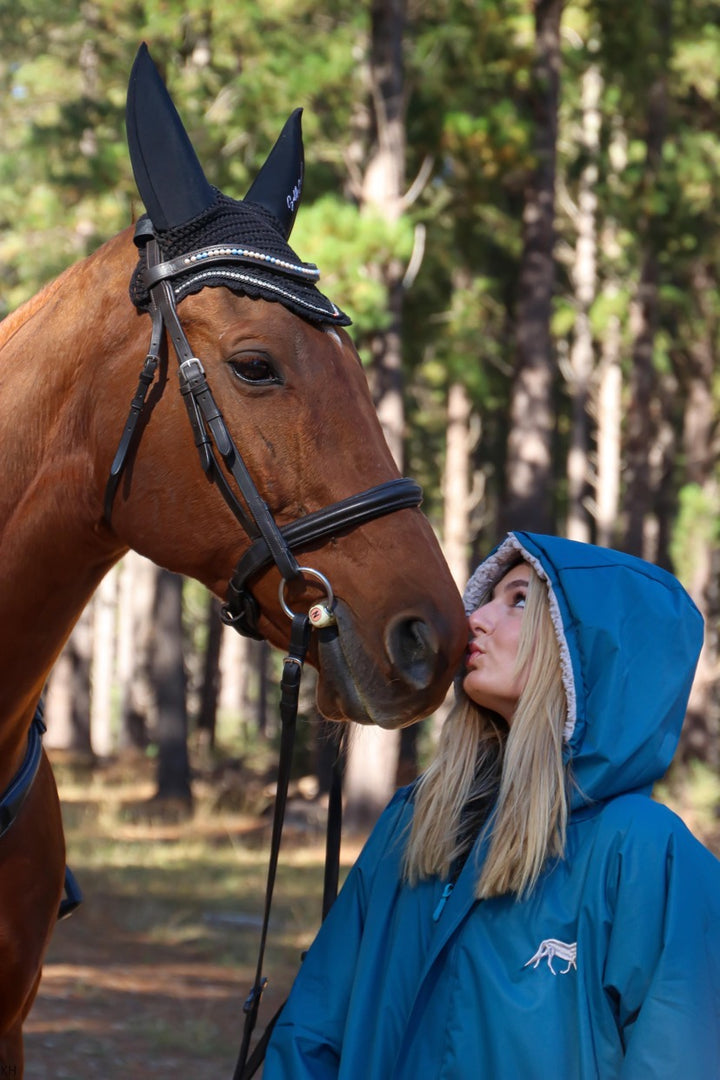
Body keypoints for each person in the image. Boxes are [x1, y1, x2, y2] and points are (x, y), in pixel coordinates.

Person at [264, 531, 720, 1079]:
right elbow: (313, 1026)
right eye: (489, 598)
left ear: (593, 650)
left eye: (520, 600)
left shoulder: (643, 850)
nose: (475, 618)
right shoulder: (416, 821)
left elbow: (677, 1056)